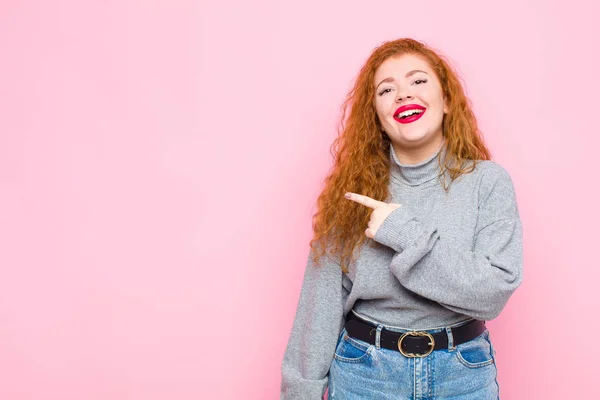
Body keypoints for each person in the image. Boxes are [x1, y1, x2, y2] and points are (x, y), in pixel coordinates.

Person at [280, 37, 523, 399]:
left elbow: (491, 295)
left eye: (418, 81)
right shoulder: (352, 192)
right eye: (386, 89)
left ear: (447, 102)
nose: (403, 94)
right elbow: (319, 308)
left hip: (463, 376)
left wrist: (403, 234)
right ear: (376, 117)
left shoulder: (488, 182)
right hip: (365, 374)